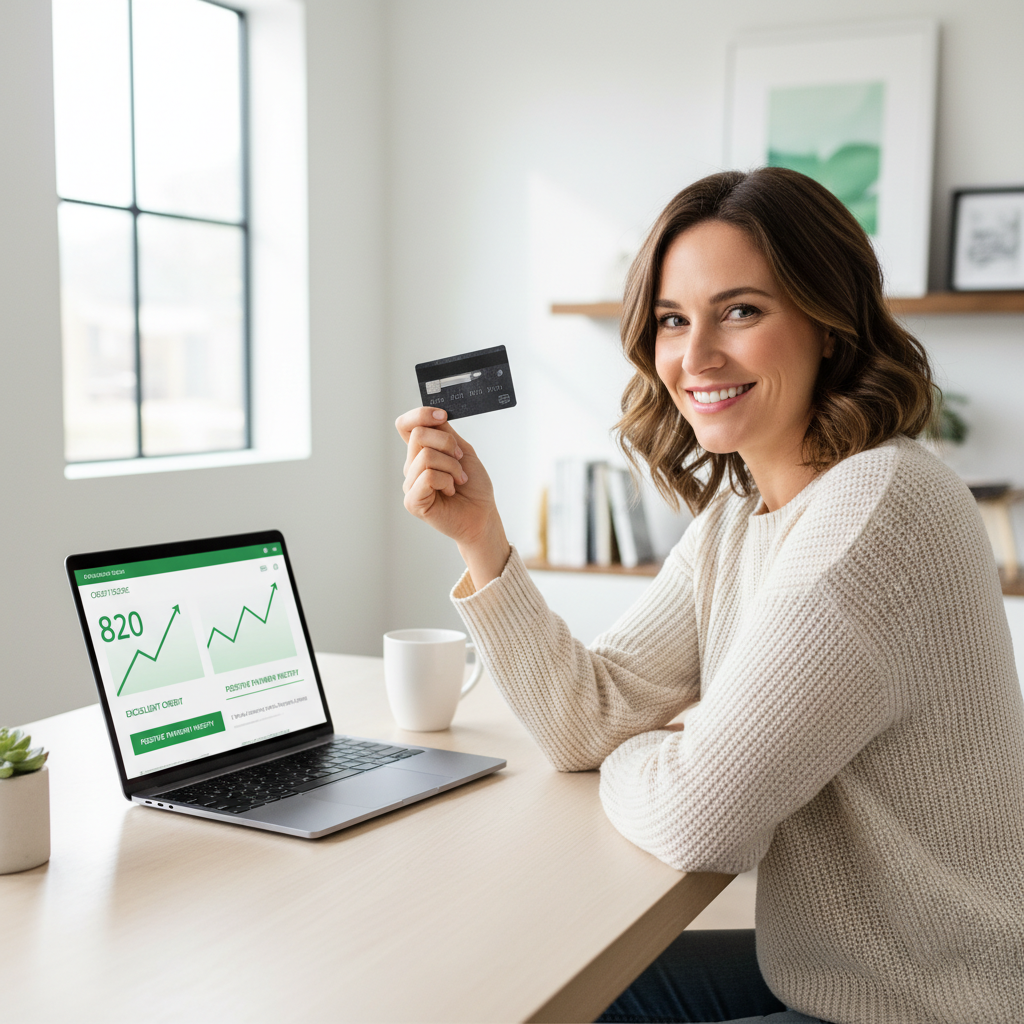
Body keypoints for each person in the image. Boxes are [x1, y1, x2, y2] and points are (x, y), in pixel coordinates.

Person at [395, 167, 1024, 1024]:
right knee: (524, 996)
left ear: (829, 324)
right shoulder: (741, 514)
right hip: (828, 966)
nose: (696, 358)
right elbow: (590, 717)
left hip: (930, 1000)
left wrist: (668, 752)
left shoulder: (878, 512)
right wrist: (481, 535)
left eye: (742, 311)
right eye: (671, 321)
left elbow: (699, 817)